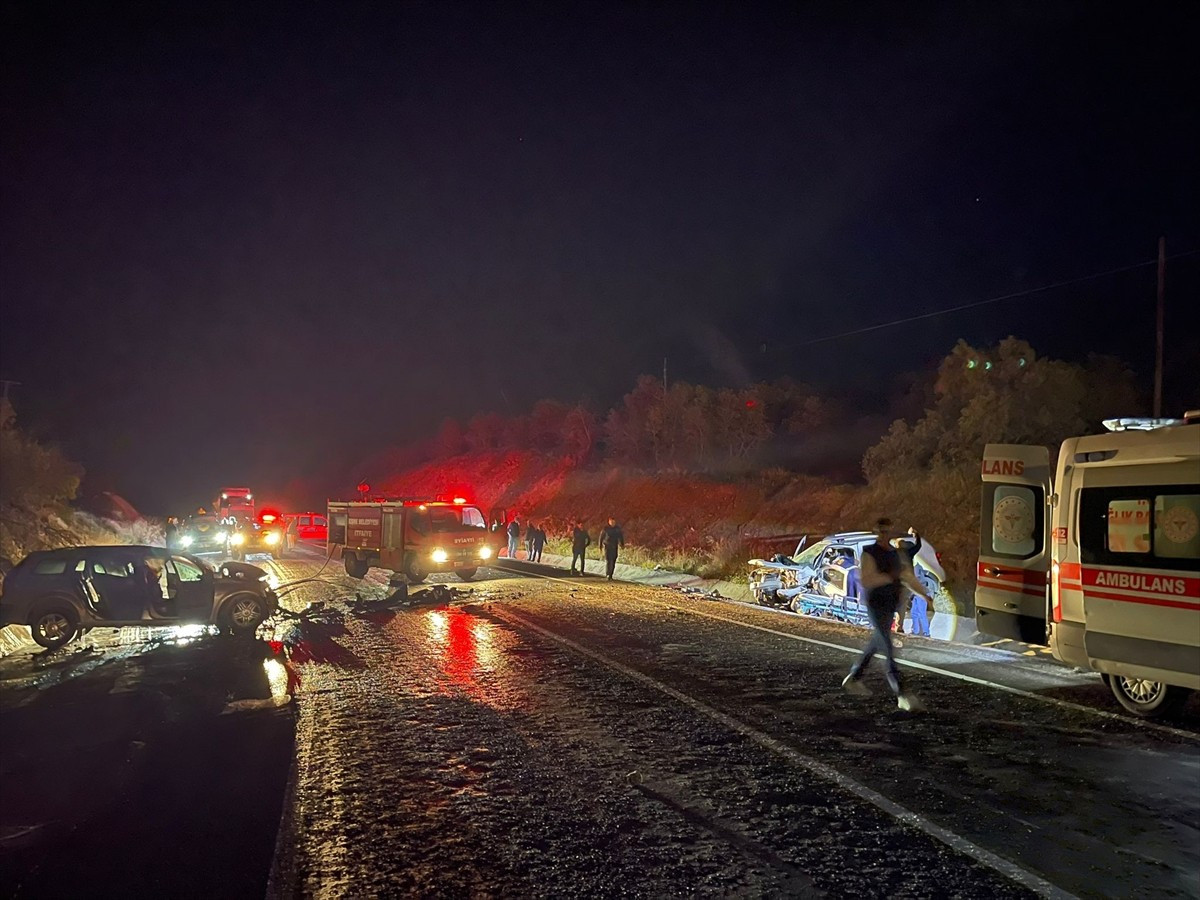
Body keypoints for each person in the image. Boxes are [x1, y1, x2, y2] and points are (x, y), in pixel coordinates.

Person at [841, 518, 933, 711]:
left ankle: (854, 677)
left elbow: (907, 576)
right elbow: (867, 580)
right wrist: (889, 577)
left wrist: (924, 595)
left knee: (877, 642)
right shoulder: (869, 553)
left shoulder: (896, 554)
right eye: (881, 532)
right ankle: (901, 693)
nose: (885, 535)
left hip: (891, 603)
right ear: (877, 532)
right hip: (876, 603)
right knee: (887, 646)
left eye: (887, 531)